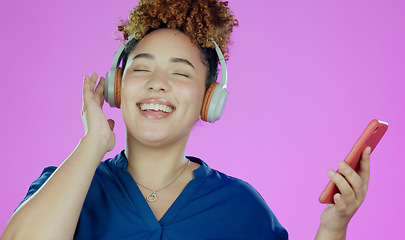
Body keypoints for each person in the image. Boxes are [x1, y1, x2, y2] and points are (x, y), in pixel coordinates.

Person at [1, 0, 371, 239]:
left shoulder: (241, 207)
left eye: (180, 74)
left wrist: (332, 228)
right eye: (141, 69)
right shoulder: (65, 185)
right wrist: (92, 142)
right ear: (116, 86)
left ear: (208, 99)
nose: (157, 84)